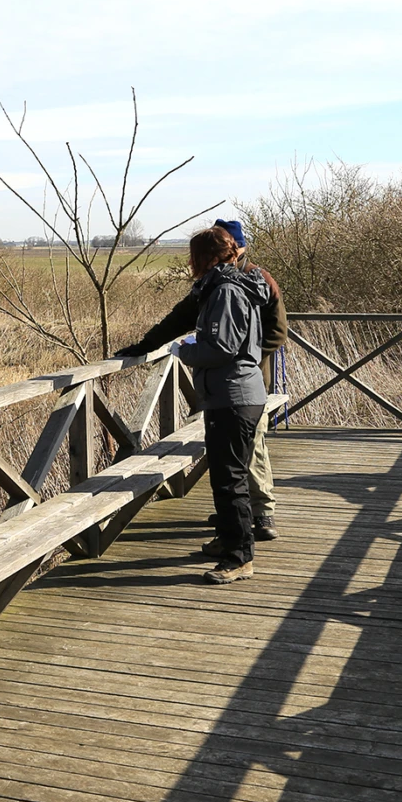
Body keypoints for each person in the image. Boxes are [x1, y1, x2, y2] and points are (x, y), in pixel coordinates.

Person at [114, 219, 287, 540]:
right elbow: (178, 319)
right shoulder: (212, 285)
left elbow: (276, 333)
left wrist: (239, 358)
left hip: (244, 382)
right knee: (230, 462)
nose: (191, 264)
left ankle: (261, 515)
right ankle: (235, 517)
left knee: (252, 451)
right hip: (231, 384)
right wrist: (143, 347)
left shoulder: (244, 283)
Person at [173, 225, 270, 584]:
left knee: (230, 480)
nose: (190, 264)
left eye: (193, 257)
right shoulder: (233, 285)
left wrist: (185, 351)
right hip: (237, 394)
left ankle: (239, 557)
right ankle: (230, 541)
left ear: (207, 258)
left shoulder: (226, 290)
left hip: (233, 396)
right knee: (228, 476)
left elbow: (223, 349)